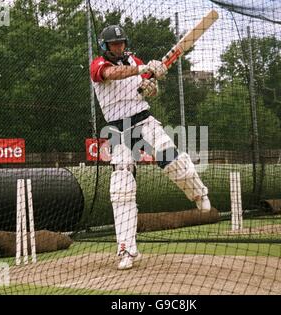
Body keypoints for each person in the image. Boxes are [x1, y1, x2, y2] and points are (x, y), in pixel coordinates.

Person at [90, 25, 211, 270]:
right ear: (105, 46)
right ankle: (126, 249)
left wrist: (150, 87)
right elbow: (112, 75)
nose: (119, 47)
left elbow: (146, 88)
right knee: (121, 187)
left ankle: (199, 194)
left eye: (122, 43)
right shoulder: (98, 65)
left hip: (143, 120)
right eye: (114, 44)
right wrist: (143, 69)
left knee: (171, 159)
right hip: (117, 129)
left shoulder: (135, 61)